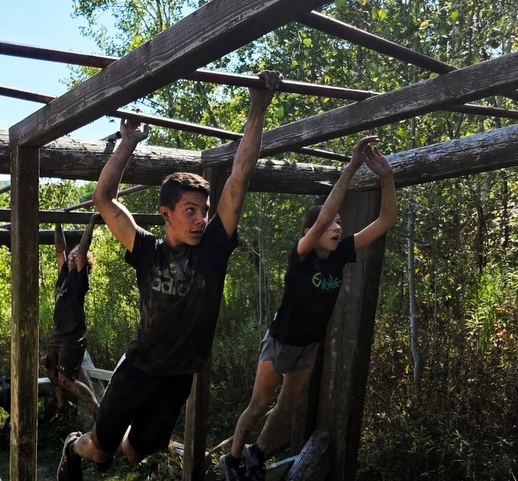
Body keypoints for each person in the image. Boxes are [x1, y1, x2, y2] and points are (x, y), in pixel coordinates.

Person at [57, 70, 283, 481]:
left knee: (134, 452)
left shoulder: (213, 249)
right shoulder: (147, 250)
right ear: (166, 214)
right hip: (137, 369)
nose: (200, 220)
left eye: (204, 211)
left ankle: (108, 441)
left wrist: (258, 108)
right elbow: (103, 199)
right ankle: (74, 446)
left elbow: (240, 176)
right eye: (189, 211)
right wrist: (127, 142)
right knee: (99, 451)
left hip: (178, 378)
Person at [219, 136, 397, 481]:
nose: (337, 227)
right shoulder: (300, 256)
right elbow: (321, 218)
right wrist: (352, 167)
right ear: (310, 232)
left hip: (308, 345)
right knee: (258, 405)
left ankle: (257, 453)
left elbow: (386, 220)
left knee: (287, 406)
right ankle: (233, 457)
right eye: (331, 224)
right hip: (281, 341)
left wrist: (387, 177)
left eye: (340, 224)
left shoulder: (341, 254)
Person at [44, 215, 101, 423]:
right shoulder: (64, 274)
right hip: (58, 333)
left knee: (66, 380)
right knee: (51, 371)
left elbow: (84, 248)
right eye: (72, 254)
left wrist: (91, 222)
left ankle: (97, 410)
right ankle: (63, 406)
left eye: (76, 256)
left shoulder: (79, 278)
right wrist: (57, 219)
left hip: (72, 334)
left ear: (83, 263)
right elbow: (59, 249)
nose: (72, 257)